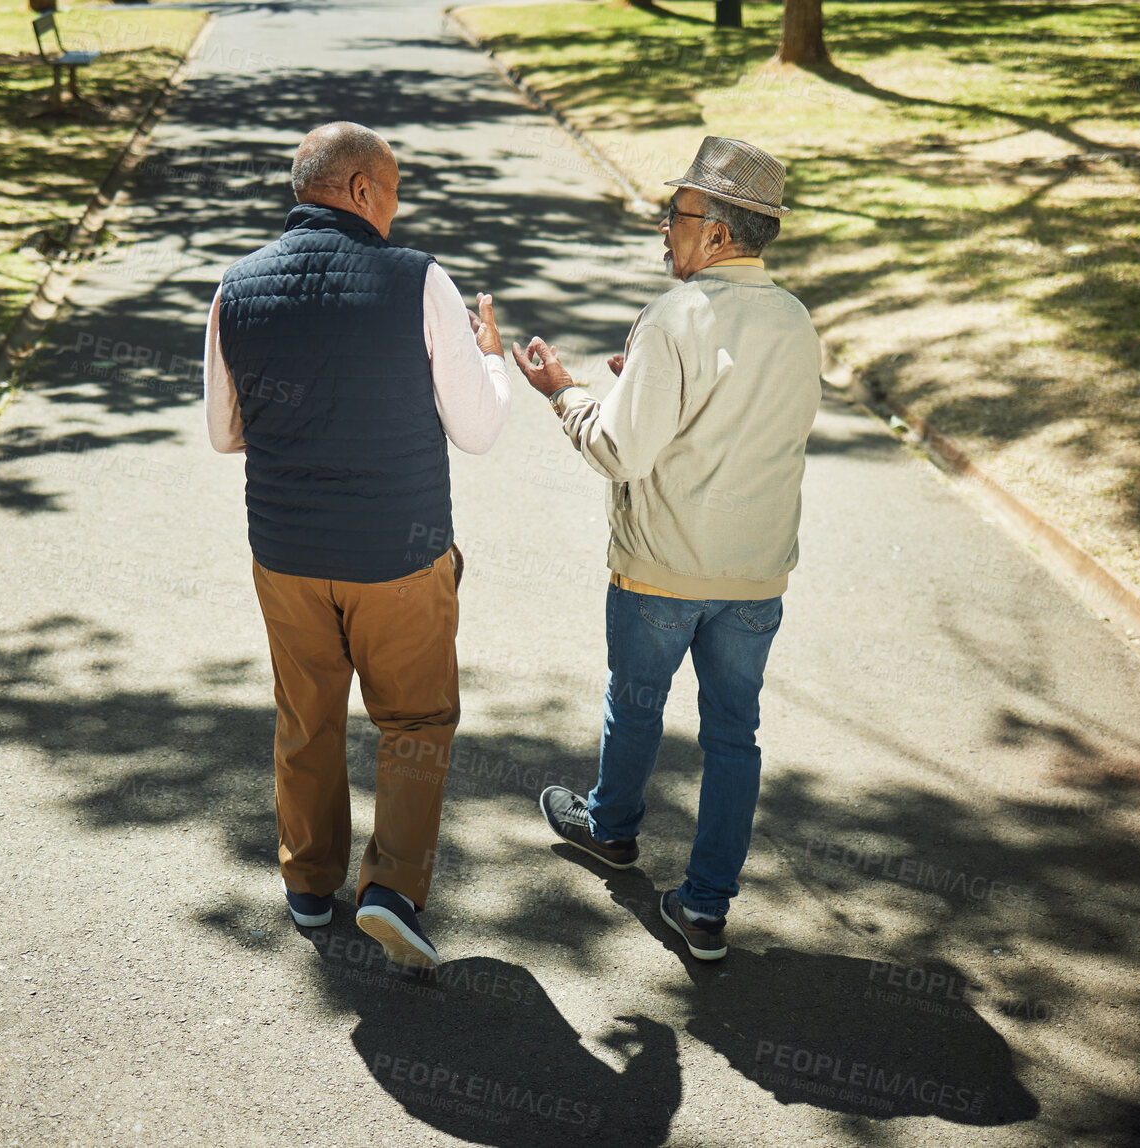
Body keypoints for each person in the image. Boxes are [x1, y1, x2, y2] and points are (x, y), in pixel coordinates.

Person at [203, 121, 510, 968]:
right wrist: (491, 361)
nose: (395, 211)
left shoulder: (236, 287)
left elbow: (226, 433)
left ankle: (309, 886)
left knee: (307, 718)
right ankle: (392, 888)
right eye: (395, 192)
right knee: (414, 719)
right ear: (365, 190)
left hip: (288, 556)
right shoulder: (418, 280)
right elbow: (477, 431)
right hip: (398, 559)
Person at [512, 137, 821, 961]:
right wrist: (643, 383)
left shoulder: (673, 314)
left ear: (718, 234)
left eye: (679, 215)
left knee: (637, 700)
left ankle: (612, 830)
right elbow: (753, 426)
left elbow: (619, 452)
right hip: (756, 572)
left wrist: (565, 392)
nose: (664, 227)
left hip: (662, 567)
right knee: (734, 734)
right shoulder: (795, 318)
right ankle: (707, 907)